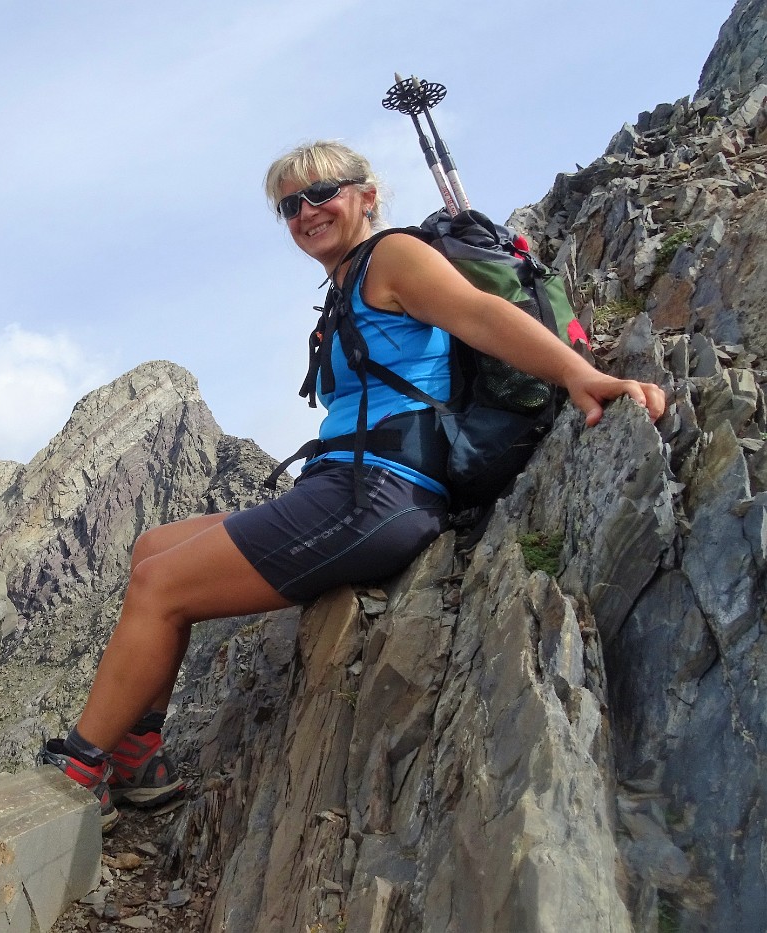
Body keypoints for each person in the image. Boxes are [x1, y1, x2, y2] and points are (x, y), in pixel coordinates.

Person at [38, 140, 667, 830]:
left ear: (366, 194)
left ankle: (79, 768)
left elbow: (479, 316)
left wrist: (579, 374)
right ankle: (139, 756)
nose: (305, 212)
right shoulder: (346, 281)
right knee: (155, 549)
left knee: (162, 587)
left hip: (382, 493)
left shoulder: (393, 257)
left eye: (322, 193)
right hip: (343, 484)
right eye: (289, 205)